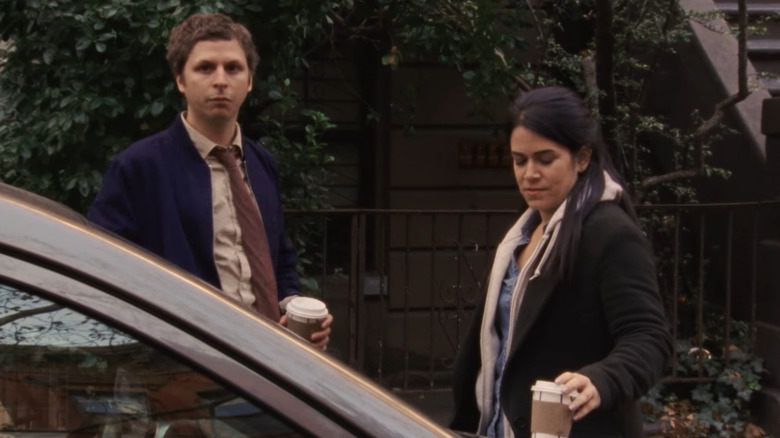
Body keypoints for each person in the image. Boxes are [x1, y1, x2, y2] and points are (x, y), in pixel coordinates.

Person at [88, 13, 332, 349]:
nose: (221, 80)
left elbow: (280, 259)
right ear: (180, 80)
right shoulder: (139, 167)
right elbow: (103, 271)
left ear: (249, 81)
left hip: (272, 362)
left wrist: (293, 308)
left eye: (233, 68)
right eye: (205, 68)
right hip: (185, 366)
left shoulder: (261, 163)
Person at [450, 86, 671, 437]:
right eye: (519, 160)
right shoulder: (521, 235)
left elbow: (650, 337)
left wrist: (601, 379)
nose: (529, 174)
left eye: (545, 159)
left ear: (582, 158)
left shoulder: (610, 234)